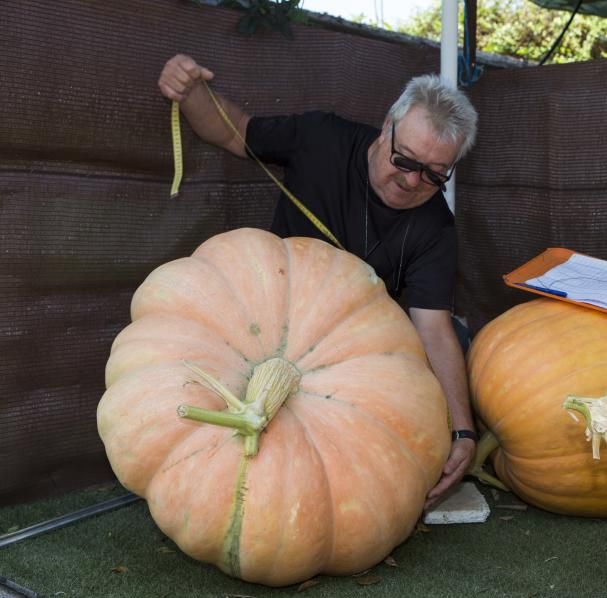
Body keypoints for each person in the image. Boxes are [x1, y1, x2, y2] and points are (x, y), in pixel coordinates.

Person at [157, 54, 478, 510]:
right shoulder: (321, 138)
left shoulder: (435, 228)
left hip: (346, 361)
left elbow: (432, 328)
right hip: (263, 324)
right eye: (404, 160)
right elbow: (233, 131)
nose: (410, 181)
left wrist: (462, 431)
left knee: (455, 343)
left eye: (433, 175)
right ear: (386, 127)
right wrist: (188, 93)